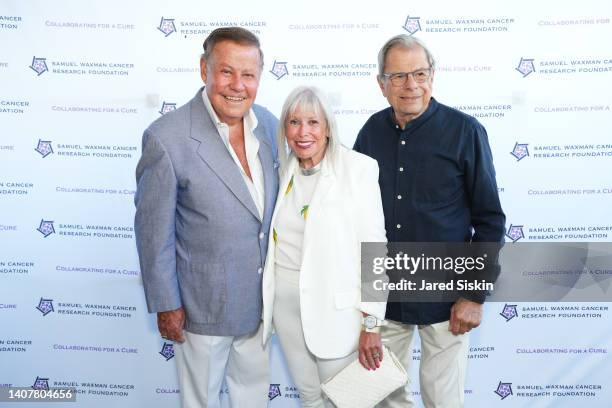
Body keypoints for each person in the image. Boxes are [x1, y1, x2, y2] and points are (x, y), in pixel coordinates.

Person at [354, 35, 506, 408]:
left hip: (448, 300)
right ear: (381, 84)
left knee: (444, 401)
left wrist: (473, 294)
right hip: (385, 300)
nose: (411, 86)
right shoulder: (369, 133)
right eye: (399, 76)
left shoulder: (465, 132)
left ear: (432, 76)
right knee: (384, 399)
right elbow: (353, 216)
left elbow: (490, 220)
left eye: (419, 73)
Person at [134, 27, 278, 408]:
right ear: (204, 70)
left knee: (253, 399)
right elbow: (153, 232)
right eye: (226, 72)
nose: (237, 85)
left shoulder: (270, 125)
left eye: (248, 75)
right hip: (201, 308)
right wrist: (167, 304)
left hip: (261, 306)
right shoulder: (167, 137)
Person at [261, 86, 388, 407]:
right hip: (287, 309)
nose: (303, 132)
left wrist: (372, 322)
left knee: (346, 402)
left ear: (328, 127)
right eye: (293, 122)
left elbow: (374, 251)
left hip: (337, 314)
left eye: (313, 123)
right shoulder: (284, 169)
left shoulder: (357, 168)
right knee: (310, 398)